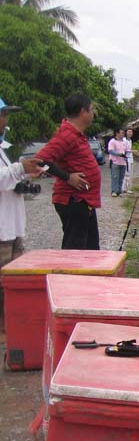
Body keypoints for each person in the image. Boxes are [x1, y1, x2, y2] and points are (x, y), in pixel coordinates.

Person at [35, 94, 102, 250]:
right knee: (75, 250)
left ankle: (88, 275)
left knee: (91, 248)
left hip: (84, 200)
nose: (93, 114)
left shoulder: (77, 134)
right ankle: (70, 275)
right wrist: (68, 177)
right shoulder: (67, 134)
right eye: (91, 110)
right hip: (73, 200)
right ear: (82, 112)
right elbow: (42, 159)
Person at [0, 98, 45, 328]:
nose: (5, 121)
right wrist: (19, 168)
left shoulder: (2, 149)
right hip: (1, 232)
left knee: (12, 284)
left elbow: (9, 177)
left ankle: (11, 330)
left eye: (6, 115)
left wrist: (25, 174)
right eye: (2, 115)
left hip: (11, 227)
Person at [107, 128, 127, 197]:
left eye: (123, 133)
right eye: (121, 133)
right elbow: (111, 151)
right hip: (115, 162)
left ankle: (119, 191)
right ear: (117, 133)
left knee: (121, 178)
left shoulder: (124, 142)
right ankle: (114, 191)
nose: (123, 134)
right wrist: (119, 154)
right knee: (115, 177)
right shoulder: (112, 141)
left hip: (123, 162)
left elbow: (126, 150)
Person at [122, 127, 135, 192]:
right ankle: (125, 188)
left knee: (130, 174)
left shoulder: (130, 140)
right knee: (127, 174)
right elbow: (125, 150)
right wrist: (133, 151)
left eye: (131, 132)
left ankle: (127, 188)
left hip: (131, 159)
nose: (130, 133)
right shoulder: (124, 140)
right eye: (129, 132)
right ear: (126, 133)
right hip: (126, 159)